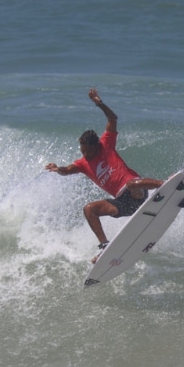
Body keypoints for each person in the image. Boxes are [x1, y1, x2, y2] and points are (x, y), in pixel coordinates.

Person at [45, 88, 164, 261]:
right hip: (123, 204)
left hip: (137, 191)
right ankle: (105, 246)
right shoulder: (82, 164)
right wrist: (58, 169)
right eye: (82, 150)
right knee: (89, 209)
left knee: (131, 184)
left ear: (96, 146)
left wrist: (99, 103)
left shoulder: (106, 144)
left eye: (87, 150)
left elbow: (113, 119)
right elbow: (67, 170)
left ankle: (164, 185)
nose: (84, 154)